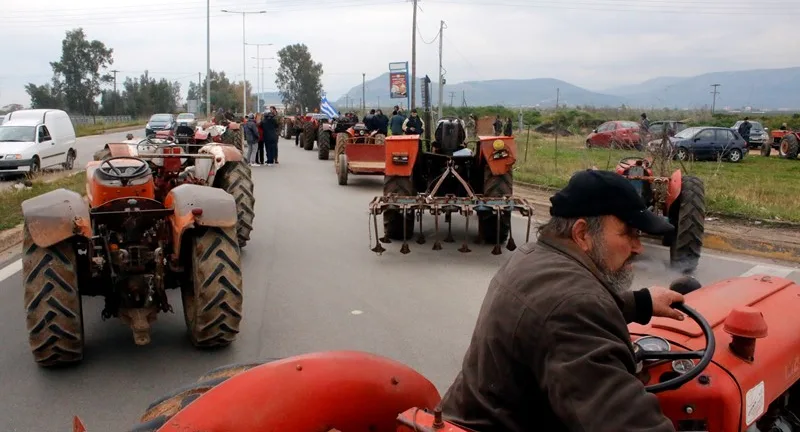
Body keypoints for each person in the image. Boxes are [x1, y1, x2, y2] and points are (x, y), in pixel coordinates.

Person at [440, 169, 685, 432]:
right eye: (629, 233)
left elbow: (559, 312)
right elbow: (625, 424)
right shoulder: (572, 306)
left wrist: (641, 302)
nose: (639, 247)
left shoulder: (533, 255)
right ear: (582, 234)